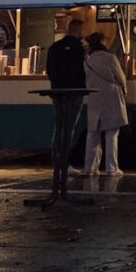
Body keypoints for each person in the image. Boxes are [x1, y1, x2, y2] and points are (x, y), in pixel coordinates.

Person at [45, 19, 87, 176]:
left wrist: (56, 84)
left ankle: (56, 161)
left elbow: (49, 69)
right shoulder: (80, 48)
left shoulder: (55, 47)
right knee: (69, 128)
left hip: (57, 92)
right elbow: (85, 69)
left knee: (59, 126)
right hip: (75, 92)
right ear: (78, 30)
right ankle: (64, 162)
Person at [83, 32, 128, 177]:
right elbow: (121, 78)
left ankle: (90, 168)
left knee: (93, 133)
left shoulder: (87, 60)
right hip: (111, 96)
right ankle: (112, 168)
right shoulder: (110, 58)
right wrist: (124, 90)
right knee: (111, 133)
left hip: (93, 96)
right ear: (102, 42)